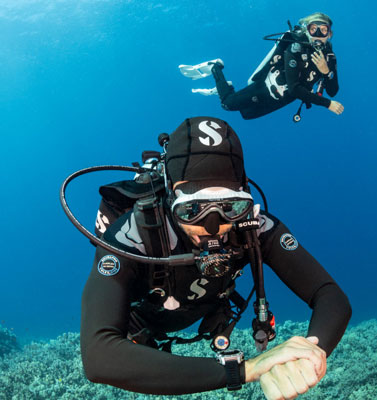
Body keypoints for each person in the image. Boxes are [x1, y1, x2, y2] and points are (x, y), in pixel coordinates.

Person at [80, 116, 351, 399]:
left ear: (245, 195)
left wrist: (309, 354)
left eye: (231, 207)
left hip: (205, 310)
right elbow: (98, 356)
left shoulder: (253, 228)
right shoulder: (133, 236)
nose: (211, 227)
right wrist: (247, 369)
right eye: (192, 210)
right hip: (144, 323)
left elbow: (330, 295)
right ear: (170, 195)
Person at [179, 12, 345, 121]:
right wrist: (328, 104)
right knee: (228, 104)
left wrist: (327, 72)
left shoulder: (330, 58)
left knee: (247, 114)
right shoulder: (295, 48)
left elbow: (332, 91)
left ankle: (226, 87)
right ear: (307, 31)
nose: (318, 35)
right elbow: (296, 89)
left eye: (323, 30)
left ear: (329, 35)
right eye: (313, 29)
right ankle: (216, 67)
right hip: (267, 86)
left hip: (283, 98)